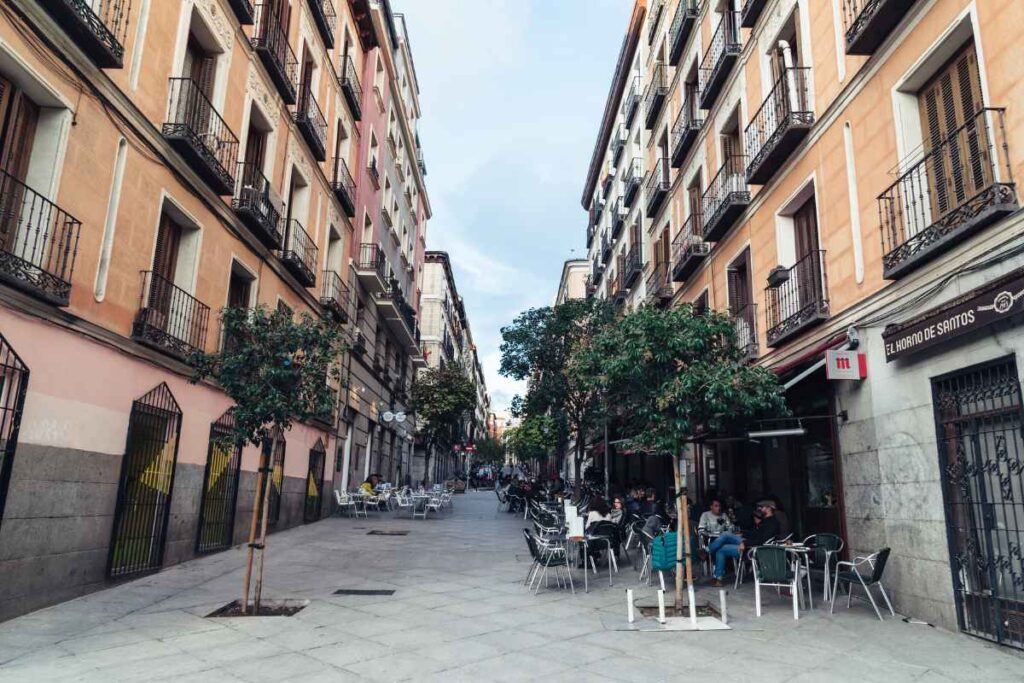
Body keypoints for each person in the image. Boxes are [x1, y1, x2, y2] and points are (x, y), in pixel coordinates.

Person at [707, 500, 782, 587]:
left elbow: (761, 540)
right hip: (750, 545)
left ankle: (708, 554)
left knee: (722, 546)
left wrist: (745, 543)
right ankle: (716, 575)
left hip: (754, 550)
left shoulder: (772, 523)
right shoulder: (765, 521)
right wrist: (742, 533)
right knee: (725, 536)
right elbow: (755, 535)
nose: (759, 509)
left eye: (762, 507)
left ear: (769, 508)